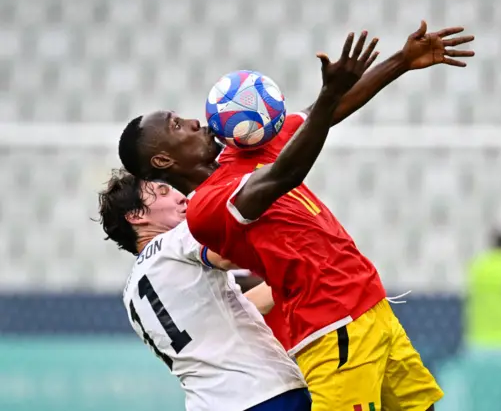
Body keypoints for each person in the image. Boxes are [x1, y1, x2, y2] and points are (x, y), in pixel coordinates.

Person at [118, 22, 475, 411]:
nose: (192, 121)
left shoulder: (244, 152)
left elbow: (323, 114)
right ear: (163, 160)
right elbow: (285, 175)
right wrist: (327, 95)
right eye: (175, 125)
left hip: (370, 305)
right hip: (332, 328)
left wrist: (401, 61)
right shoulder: (206, 209)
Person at [97, 170, 311, 411]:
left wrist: (301, 275)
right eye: (163, 193)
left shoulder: (131, 292)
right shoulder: (177, 238)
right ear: (136, 216)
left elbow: (236, 309)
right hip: (262, 394)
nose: (180, 197)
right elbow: (231, 255)